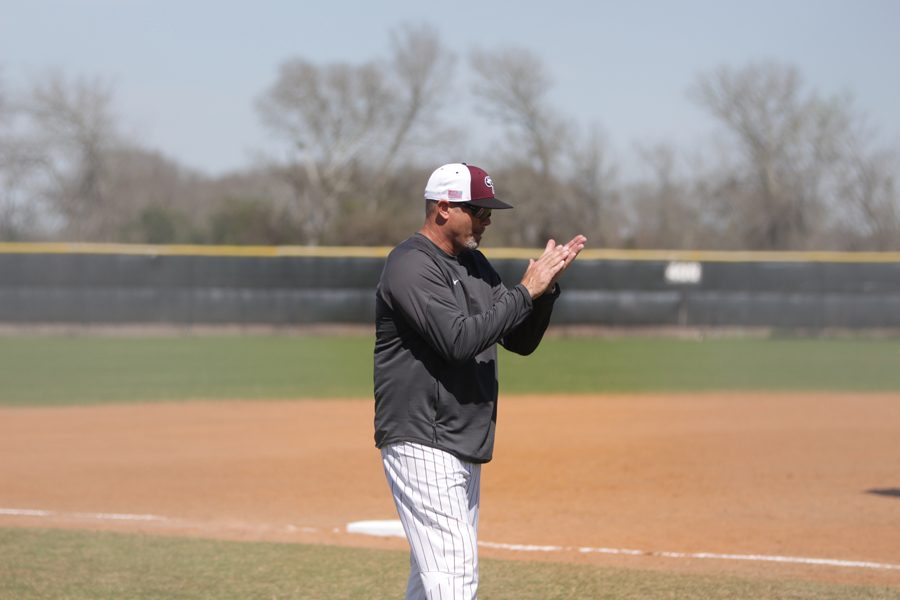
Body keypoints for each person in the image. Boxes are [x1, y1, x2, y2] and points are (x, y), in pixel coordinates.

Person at [373, 163, 586, 599]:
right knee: (454, 571)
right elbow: (457, 340)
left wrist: (542, 295)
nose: (488, 219)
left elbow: (518, 340)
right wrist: (525, 291)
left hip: (462, 435)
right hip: (422, 436)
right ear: (443, 208)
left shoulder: (473, 264)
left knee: (433, 572)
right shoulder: (410, 265)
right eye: (479, 209)